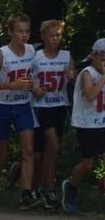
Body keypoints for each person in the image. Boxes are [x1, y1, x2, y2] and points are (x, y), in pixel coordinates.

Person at [0, 14, 38, 211]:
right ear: (10, 32)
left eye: (27, 31)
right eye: (19, 31)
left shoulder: (32, 51)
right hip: (3, 105)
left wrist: (34, 88)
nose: (24, 35)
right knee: (2, 151)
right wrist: (10, 85)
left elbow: (31, 76)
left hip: (23, 104)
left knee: (28, 149)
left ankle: (26, 193)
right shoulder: (2, 54)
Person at [31, 20, 75, 210]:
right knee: (51, 147)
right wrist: (34, 88)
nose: (55, 39)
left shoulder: (66, 56)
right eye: (51, 35)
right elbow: (25, 78)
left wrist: (72, 74)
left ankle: (43, 187)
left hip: (59, 105)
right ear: (43, 36)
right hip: (41, 106)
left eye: (58, 35)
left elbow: (73, 74)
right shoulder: (36, 56)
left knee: (48, 151)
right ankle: (45, 188)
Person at [61, 38, 105, 214]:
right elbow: (90, 95)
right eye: (103, 57)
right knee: (88, 164)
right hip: (87, 124)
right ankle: (71, 186)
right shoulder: (87, 72)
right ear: (94, 55)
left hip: (103, 121)